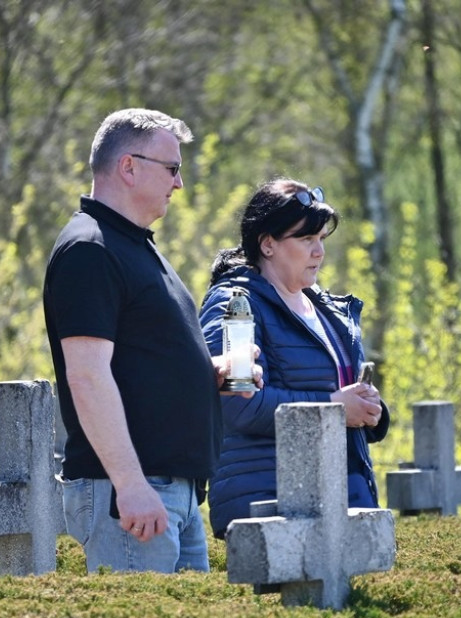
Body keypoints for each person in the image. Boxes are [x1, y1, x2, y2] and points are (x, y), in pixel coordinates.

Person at [42, 108, 259, 573]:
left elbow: (141, 364)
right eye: (173, 168)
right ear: (129, 166)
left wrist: (210, 373)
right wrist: (131, 485)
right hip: (132, 495)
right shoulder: (90, 250)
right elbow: (87, 376)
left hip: (167, 492)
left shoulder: (134, 245)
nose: (179, 183)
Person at [199, 178, 389, 539]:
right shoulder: (235, 304)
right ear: (267, 244)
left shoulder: (328, 309)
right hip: (270, 502)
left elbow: (343, 395)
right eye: (305, 240)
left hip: (343, 492)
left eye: (321, 240)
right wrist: (334, 408)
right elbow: (238, 405)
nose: (318, 252)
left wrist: (372, 410)